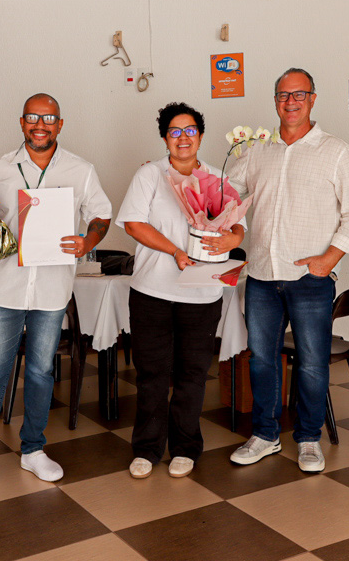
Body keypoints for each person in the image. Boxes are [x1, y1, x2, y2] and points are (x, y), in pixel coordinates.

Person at [0, 93, 112, 499]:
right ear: (21, 122)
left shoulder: (81, 170)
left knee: (40, 372)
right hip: (5, 288)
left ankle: (33, 449)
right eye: (33, 117)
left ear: (60, 124)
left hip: (52, 290)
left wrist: (88, 240)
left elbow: (101, 214)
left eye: (49, 118)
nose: (40, 125)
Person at [227, 68, 349, 472]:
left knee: (311, 363)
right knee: (261, 360)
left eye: (299, 94)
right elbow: (227, 194)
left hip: (310, 280)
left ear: (313, 99)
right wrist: (186, 177)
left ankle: (308, 438)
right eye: (283, 95)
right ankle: (265, 435)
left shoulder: (335, 151)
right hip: (261, 276)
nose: (291, 102)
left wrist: (330, 258)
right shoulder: (257, 150)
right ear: (275, 101)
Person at [116, 102, 246, 479]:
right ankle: (147, 448)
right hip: (152, 292)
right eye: (175, 131)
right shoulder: (150, 174)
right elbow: (133, 224)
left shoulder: (218, 178)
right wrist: (175, 250)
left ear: (200, 137)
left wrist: (233, 239)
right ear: (165, 138)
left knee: (192, 374)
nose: (183, 137)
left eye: (190, 131)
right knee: (152, 374)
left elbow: (238, 225)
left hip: (202, 294)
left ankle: (186, 447)